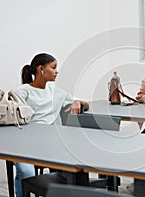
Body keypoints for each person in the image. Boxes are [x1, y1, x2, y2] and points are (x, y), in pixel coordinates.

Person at [14, 53, 89, 197]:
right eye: (53, 67)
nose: (57, 71)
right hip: (26, 144)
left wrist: (77, 102)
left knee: (73, 170)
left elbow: (86, 104)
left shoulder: (55, 91)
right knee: (25, 172)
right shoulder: (22, 92)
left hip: (51, 144)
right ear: (41, 69)